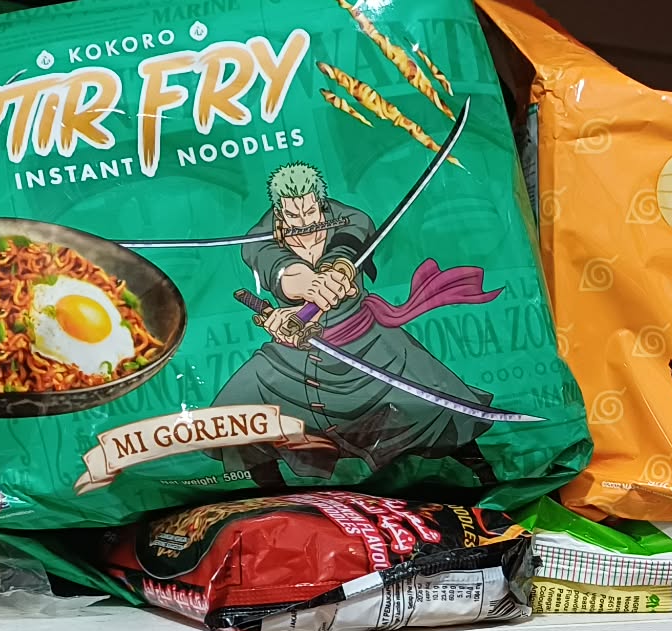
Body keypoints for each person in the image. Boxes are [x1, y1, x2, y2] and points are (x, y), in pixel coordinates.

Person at [211, 162, 500, 487]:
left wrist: (337, 271)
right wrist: (302, 287)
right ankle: (273, 497)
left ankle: (488, 477)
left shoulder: (351, 218)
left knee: (440, 404)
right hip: (296, 354)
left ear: (320, 202)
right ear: (279, 211)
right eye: (293, 215)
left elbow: (349, 244)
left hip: (366, 340)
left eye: (310, 212)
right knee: (237, 411)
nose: (303, 222)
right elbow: (276, 266)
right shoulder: (259, 237)